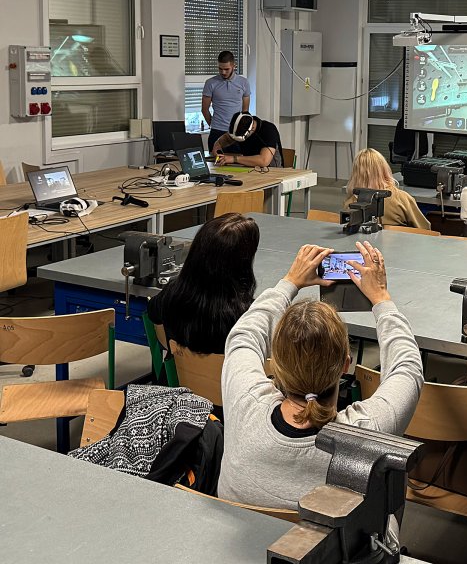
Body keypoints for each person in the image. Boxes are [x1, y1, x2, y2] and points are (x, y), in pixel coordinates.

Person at [217, 241, 424, 508]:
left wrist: (289, 282)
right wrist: (381, 298)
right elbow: (407, 367)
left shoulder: (243, 401)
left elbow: (243, 336)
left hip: (236, 532)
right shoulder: (369, 431)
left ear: (275, 364)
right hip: (334, 538)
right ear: (346, 364)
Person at [147, 213, 259, 356]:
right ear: (243, 263)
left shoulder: (172, 293)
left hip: (178, 370)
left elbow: (152, 314)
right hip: (229, 371)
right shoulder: (248, 315)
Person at [344, 148, 431, 230]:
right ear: (384, 169)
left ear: (355, 174)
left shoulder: (350, 203)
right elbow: (425, 229)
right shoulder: (401, 198)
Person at [202, 51, 251, 153]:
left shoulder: (243, 82)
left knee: (238, 161)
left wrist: (241, 128)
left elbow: (245, 111)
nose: (223, 72)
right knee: (215, 162)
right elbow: (204, 110)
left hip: (236, 132)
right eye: (220, 69)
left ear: (233, 66)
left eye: (226, 69)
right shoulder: (210, 83)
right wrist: (213, 124)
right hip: (217, 131)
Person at [212, 112, 284, 168]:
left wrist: (234, 159)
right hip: (249, 169)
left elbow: (264, 161)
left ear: (252, 128)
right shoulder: (240, 127)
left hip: (272, 171)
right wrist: (217, 151)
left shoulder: (268, 129)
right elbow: (220, 143)